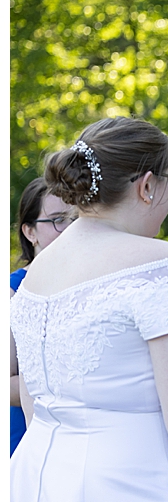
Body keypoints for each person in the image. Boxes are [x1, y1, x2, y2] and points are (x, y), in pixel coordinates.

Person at [9, 117, 168, 502]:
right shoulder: (160, 266)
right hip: (138, 490)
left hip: (39, 483)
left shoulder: (37, 271)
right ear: (148, 185)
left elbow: (31, 394)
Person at [10, 178, 77, 455]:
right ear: (30, 232)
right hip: (25, 437)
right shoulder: (12, 293)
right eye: (58, 220)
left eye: (76, 219)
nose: (70, 229)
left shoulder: (91, 285)